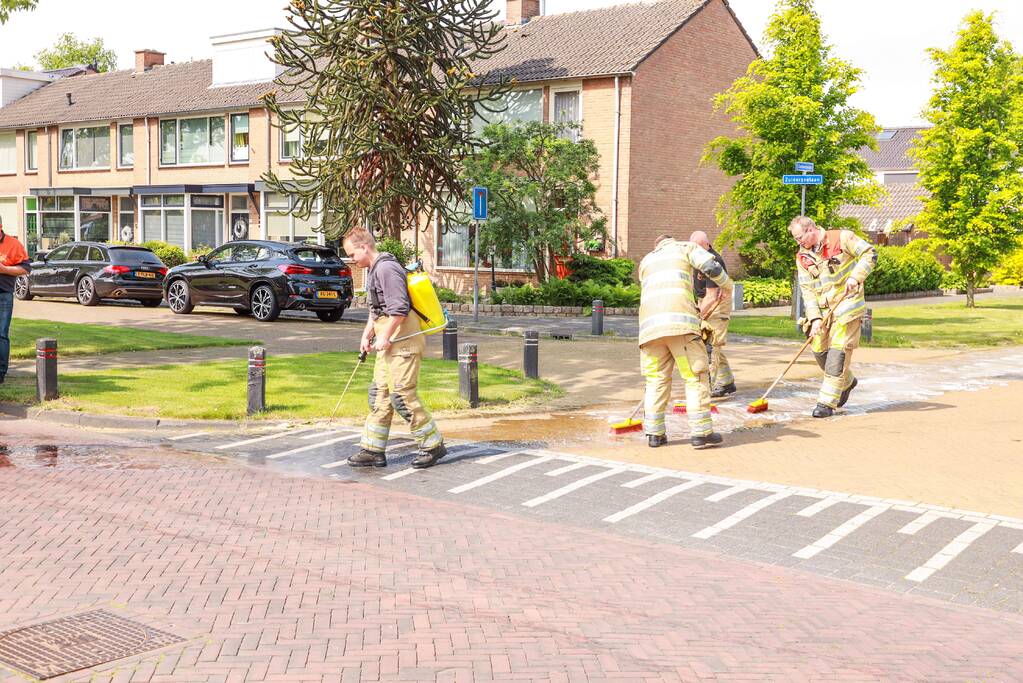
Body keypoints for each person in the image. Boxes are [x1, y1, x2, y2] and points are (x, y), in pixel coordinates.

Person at [342, 228, 447, 469]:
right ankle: (372, 450)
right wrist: (367, 334)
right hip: (389, 342)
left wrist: (384, 337)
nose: (351, 260)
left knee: (401, 396)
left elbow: (398, 309)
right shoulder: (375, 269)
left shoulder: (387, 268)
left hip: (404, 344)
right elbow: (378, 309)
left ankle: (433, 445)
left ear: (364, 247)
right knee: (379, 395)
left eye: (352, 254)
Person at [638, 234, 732, 449]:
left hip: (649, 331)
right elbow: (711, 266)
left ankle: (655, 434)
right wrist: (727, 285)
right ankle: (701, 433)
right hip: (681, 328)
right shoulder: (685, 248)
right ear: (673, 241)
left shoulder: (646, 260)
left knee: (656, 380)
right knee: (695, 377)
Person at [789, 216, 877, 418]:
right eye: (796, 239)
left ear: (811, 229)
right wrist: (815, 319)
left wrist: (856, 277)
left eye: (800, 237)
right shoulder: (802, 257)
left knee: (838, 354)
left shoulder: (842, 238)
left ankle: (826, 403)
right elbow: (807, 290)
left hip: (847, 306)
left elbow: (869, 253)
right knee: (820, 352)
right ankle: (847, 382)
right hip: (823, 312)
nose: (798, 242)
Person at [689, 230, 735, 398]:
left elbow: (712, 295)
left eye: (698, 248)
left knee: (711, 346)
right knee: (713, 346)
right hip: (705, 301)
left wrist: (698, 317)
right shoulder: (697, 257)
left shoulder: (713, 262)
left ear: (706, 245)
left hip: (717, 304)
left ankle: (705, 391)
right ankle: (727, 382)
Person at [0, 218, 31, 386]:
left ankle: (1, 373)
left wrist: (4, 269)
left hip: (3, 295)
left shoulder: (13, 244)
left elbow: (25, 269)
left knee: (1, 334)